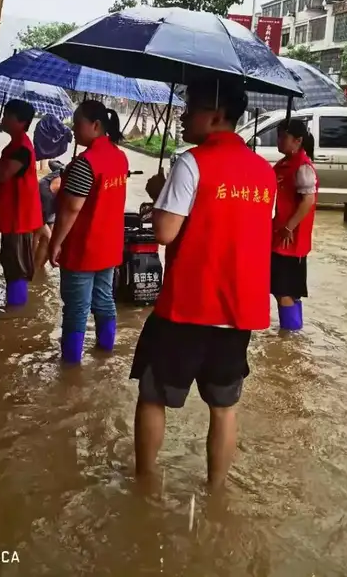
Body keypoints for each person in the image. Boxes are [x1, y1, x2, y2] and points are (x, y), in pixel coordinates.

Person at [130, 80, 277, 489]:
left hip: (188, 308)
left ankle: (144, 483)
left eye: (189, 106)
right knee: (225, 407)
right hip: (238, 312)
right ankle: (215, 491)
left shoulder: (192, 162)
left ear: (215, 115)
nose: (182, 114)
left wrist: (160, 194)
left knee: (153, 395)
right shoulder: (264, 172)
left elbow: (164, 232)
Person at [49, 100, 129, 364]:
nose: (73, 128)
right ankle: (106, 351)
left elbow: (72, 209)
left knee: (77, 308)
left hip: (83, 247)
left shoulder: (86, 162)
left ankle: (70, 367)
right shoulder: (119, 156)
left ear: (95, 125)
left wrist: (56, 242)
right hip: (109, 246)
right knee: (104, 299)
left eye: (77, 122)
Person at [0, 99, 43, 306]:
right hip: (14, 215)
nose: (4, 119)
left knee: (16, 265)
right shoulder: (15, 145)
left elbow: (3, 175)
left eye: (8, 116)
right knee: (10, 261)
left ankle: (16, 311)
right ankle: (14, 310)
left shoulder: (22, 148)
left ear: (21, 122)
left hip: (19, 218)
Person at [272, 118, 318, 331]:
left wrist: (290, 226)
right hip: (279, 235)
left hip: (290, 239)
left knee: (284, 291)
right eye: (279, 135)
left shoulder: (303, 167)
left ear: (298, 140)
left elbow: (308, 200)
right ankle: (292, 335)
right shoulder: (283, 164)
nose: (279, 140)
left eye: (283, 136)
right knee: (283, 290)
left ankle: (289, 336)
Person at [33, 160, 64, 270]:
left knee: (47, 239)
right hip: (37, 208)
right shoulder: (47, 196)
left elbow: (51, 162)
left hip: (50, 211)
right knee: (45, 237)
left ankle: (38, 268)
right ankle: (34, 269)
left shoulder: (61, 171)